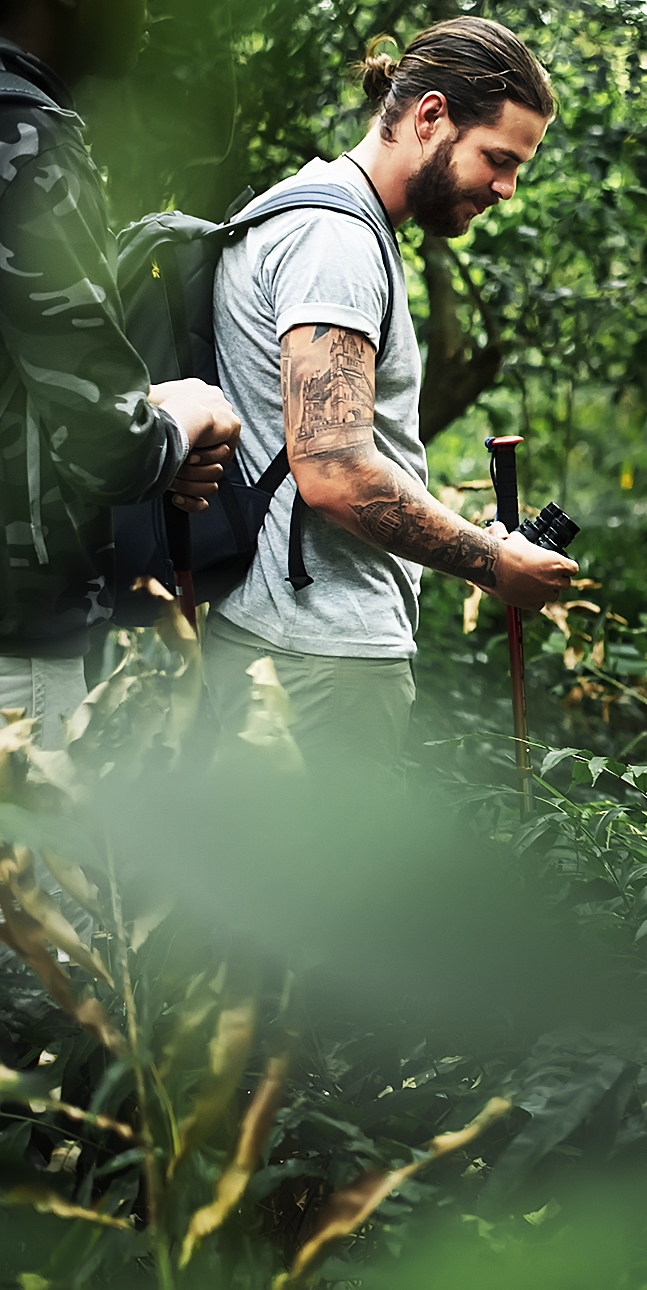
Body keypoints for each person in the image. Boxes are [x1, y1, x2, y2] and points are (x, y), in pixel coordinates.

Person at [203, 17, 576, 769]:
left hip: (287, 640)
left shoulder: (325, 216)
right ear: (430, 116)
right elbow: (335, 472)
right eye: (498, 159)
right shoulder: (334, 240)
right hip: (319, 656)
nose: (506, 188)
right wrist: (491, 563)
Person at [0, 0, 240, 750]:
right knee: (41, 868)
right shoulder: (28, 141)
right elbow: (107, 447)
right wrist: (186, 413)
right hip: (19, 637)